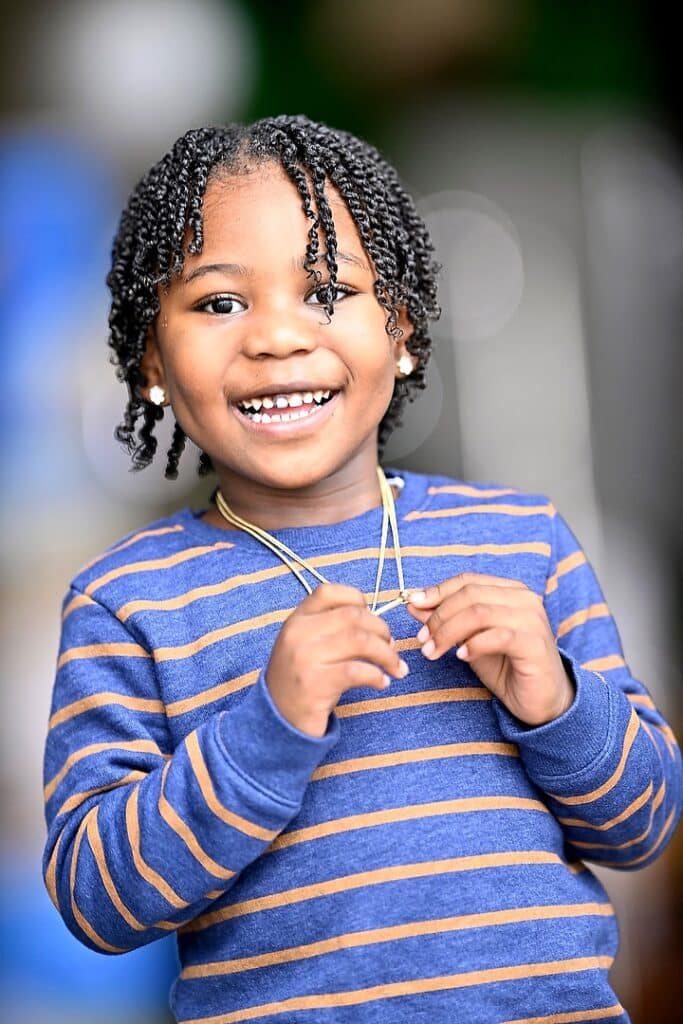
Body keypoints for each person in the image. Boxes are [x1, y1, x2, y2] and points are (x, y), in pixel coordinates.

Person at [43, 115, 682, 1024]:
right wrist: (265, 730)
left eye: (326, 292)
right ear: (151, 358)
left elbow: (642, 824)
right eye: (219, 303)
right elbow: (94, 897)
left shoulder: (523, 541)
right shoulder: (129, 601)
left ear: (405, 330)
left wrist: (559, 701)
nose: (275, 337)